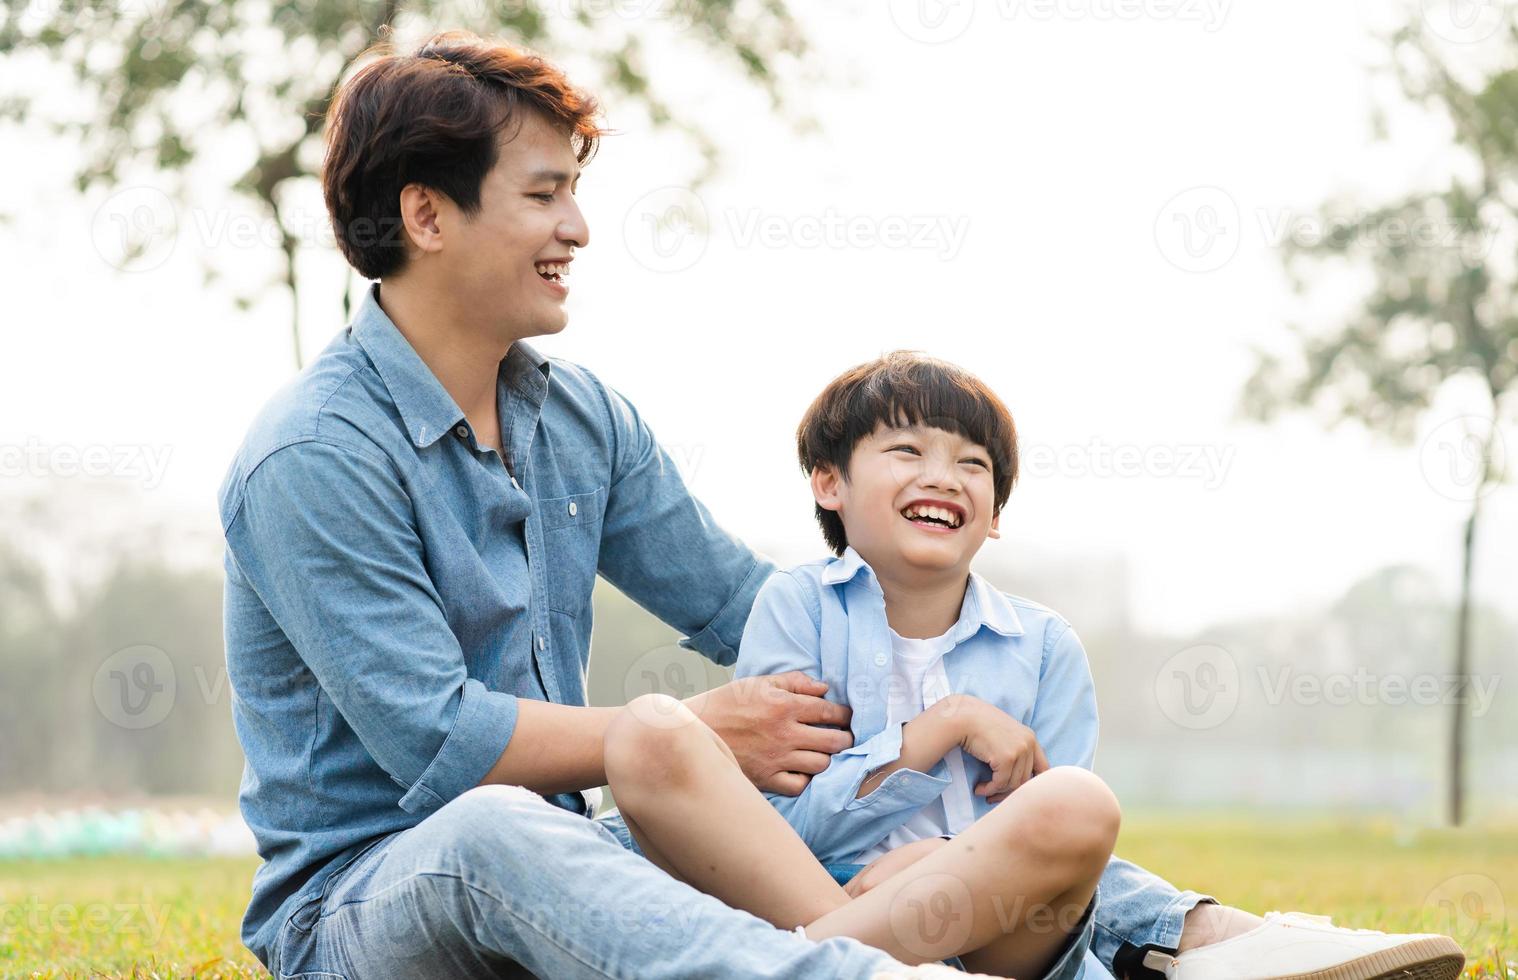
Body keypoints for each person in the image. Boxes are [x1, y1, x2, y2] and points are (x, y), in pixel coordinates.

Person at [218, 29, 1468, 980]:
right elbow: (436, 742)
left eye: (575, 192)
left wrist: (931, 657)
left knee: (939, 798)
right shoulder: (314, 456)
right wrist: (690, 728)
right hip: (374, 896)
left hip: (584, 858)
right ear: (427, 214)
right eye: (544, 194)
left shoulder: (574, 416)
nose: (581, 227)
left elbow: (747, 601)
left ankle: (1201, 935)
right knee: (508, 818)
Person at [603, 351, 1466, 979]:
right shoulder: (796, 608)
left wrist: (935, 864)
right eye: (907, 451)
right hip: (812, 893)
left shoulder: (1043, 646)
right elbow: (775, 834)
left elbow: (1053, 853)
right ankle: (855, 961)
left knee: (1080, 804)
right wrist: (937, 730)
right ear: (829, 484)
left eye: (972, 464)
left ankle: (819, 966)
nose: (943, 476)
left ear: (997, 514)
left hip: (997, 934)